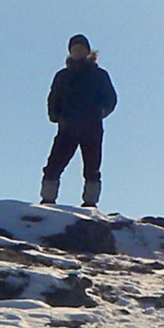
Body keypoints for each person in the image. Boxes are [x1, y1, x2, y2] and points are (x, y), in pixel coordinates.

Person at [41, 34, 117, 208]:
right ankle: (48, 199)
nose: (78, 52)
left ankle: (90, 203)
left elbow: (111, 98)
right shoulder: (62, 76)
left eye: (81, 48)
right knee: (54, 164)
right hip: (67, 127)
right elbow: (54, 97)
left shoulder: (99, 75)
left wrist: (99, 113)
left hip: (92, 127)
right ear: (70, 52)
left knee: (92, 167)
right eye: (74, 49)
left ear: (88, 51)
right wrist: (55, 115)